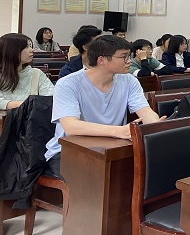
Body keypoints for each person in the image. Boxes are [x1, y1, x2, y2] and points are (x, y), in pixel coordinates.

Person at [44, 35, 165, 180]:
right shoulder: (68, 84)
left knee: (146, 173)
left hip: (113, 147)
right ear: (101, 60)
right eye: (124, 57)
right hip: (69, 150)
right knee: (95, 181)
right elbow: (71, 127)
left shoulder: (129, 81)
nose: (129, 61)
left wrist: (155, 125)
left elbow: (145, 111)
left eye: (129, 56)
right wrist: (119, 131)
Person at [0, 33, 54, 110]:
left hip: (31, 116)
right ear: (11, 50)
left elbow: (50, 96)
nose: (32, 50)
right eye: (26, 47)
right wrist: (23, 105)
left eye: (30, 46)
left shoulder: (36, 73)